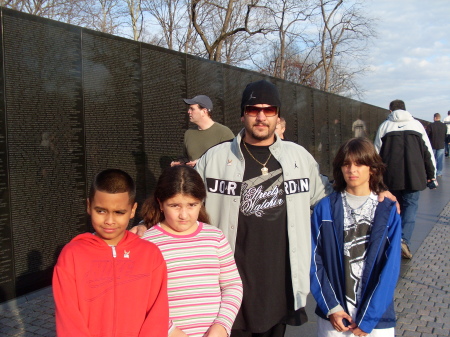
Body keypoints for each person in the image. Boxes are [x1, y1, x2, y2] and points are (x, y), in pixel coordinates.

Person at [52, 169, 169, 337]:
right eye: (101, 211)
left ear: (133, 210)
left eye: (119, 212)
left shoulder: (150, 255)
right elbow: (67, 316)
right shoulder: (71, 256)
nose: (109, 221)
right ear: (88, 206)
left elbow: (157, 314)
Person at [310, 137, 401, 337]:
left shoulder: (387, 210)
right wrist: (332, 307)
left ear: (373, 168)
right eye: (346, 164)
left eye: (360, 163)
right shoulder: (324, 208)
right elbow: (314, 261)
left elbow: (391, 268)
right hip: (335, 317)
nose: (352, 169)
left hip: (377, 319)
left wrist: (369, 319)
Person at [140, 165, 243, 337]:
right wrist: (171, 331)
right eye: (175, 205)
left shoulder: (215, 237)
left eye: (192, 205)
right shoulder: (148, 244)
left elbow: (232, 285)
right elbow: (142, 298)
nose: (184, 214)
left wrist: (222, 326)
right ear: (160, 204)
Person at [374, 99, 436, 259]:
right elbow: (428, 153)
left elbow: (376, 154)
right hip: (414, 176)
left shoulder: (384, 126)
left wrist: (375, 179)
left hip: (391, 177)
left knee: (394, 207)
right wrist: (432, 176)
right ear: (406, 109)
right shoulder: (417, 126)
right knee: (411, 207)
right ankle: (403, 239)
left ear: (390, 111)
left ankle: (392, 240)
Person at [171, 95, 234, 167]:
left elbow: (231, 160)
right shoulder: (189, 133)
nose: (188, 112)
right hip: (193, 177)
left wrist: (202, 163)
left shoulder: (224, 133)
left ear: (204, 111)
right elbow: (186, 158)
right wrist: (181, 163)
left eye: (192, 109)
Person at [426, 113, 447, 177]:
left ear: (435, 118)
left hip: (432, 144)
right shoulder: (444, 126)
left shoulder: (431, 125)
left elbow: (427, 135)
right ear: (439, 118)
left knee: (432, 159)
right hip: (441, 145)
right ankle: (439, 172)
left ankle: (432, 172)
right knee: (440, 160)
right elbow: (445, 135)